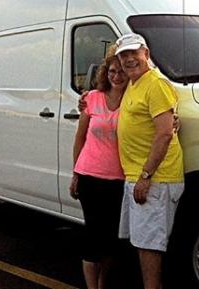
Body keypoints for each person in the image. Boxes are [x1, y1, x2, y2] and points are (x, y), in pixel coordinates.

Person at [114, 33, 184, 289]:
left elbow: (165, 132)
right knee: (144, 245)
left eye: (134, 53)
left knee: (149, 247)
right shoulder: (135, 83)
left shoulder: (155, 84)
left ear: (146, 53)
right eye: (124, 55)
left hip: (155, 179)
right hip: (140, 178)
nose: (130, 59)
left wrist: (146, 176)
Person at [69, 52, 127, 289]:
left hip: (119, 179)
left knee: (111, 240)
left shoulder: (135, 101)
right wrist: (75, 174)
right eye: (112, 71)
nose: (116, 76)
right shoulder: (92, 98)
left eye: (121, 71)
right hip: (90, 177)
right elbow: (80, 138)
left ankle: (103, 284)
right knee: (93, 236)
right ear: (105, 72)